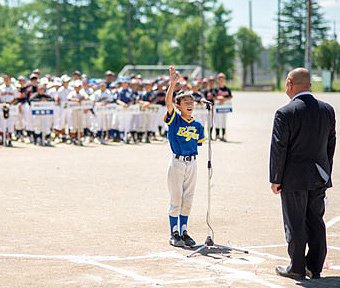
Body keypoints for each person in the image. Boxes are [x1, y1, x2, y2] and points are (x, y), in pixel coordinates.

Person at [270, 68, 336, 280]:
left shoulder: (285, 113)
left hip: (293, 178)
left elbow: (279, 148)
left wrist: (275, 179)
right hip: (319, 175)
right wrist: (326, 173)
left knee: (295, 222)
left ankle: (297, 267)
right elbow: (330, 145)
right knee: (316, 221)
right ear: (310, 85)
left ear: (289, 84)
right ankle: (314, 266)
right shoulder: (327, 110)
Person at [165, 66, 205, 247]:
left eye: (192, 101)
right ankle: (174, 233)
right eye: (185, 101)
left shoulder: (197, 125)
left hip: (192, 163)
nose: (189, 103)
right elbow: (167, 104)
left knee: (188, 198)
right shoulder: (175, 119)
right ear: (179, 106)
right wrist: (172, 86)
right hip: (177, 162)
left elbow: (198, 143)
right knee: (176, 198)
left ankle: (184, 231)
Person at [214, 72, 233, 142]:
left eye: (222, 79)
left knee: (224, 121)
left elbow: (230, 96)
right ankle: (217, 135)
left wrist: (224, 100)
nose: (221, 80)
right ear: (218, 80)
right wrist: (220, 98)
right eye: (220, 79)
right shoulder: (216, 89)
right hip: (218, 108)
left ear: (224, 80)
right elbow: (214, 97)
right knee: (218, 121)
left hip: (224, 107)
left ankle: (224, 135)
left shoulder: (227, 89)